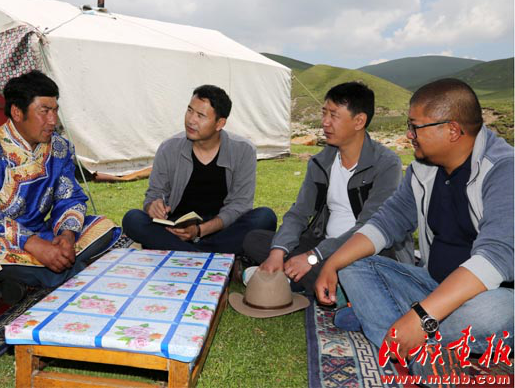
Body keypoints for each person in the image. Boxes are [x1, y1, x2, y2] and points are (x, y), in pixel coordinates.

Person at [315, 79, 513, 373]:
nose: (409, 134)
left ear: (452, 130)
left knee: (493, 312)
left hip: (495, 294)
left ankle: (397, 331)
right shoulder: (423, 167)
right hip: (432, 285)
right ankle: (422, 351)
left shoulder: (504, 170)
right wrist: (332, 263)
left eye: (415, 126)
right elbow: (387, 221)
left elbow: (496, 258)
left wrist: (421, 317)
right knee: (353, 264)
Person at [0, 70, 120, 309]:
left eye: (55, 110)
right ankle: (60, 271)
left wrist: (66, 236)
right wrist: (33, 244)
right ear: (17, 112)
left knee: (103, 227)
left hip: (44, 235)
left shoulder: (59, 148)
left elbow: (69, 196)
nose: (53, 120)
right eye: (44, 111)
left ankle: (32, 276)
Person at [243, 82, 414, 294]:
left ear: (359, 121)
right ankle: (305, 280)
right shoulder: (322, 162)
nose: (325, 122)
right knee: (254, 239)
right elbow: (299, 213)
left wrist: (312, 257)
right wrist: (278, 252)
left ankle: (294, 280)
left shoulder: (386, 164)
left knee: (353, 270)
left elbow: (370, 228)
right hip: (322, 242)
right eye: (324, 113)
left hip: (366, 251)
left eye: (333, 115)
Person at [122, 84, 277, 254]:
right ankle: (207, 255)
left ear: (220, 123)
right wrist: (152, 206)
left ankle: (188, 253)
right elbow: (154, 194)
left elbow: (240, 205)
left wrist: (200, 231)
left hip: (221, 229)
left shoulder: (243, 151)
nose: (191, 120)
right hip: (176, 230)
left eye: (200, 116)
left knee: (265, 217)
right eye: (189, 111)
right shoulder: (169, 148)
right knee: (132, 219)